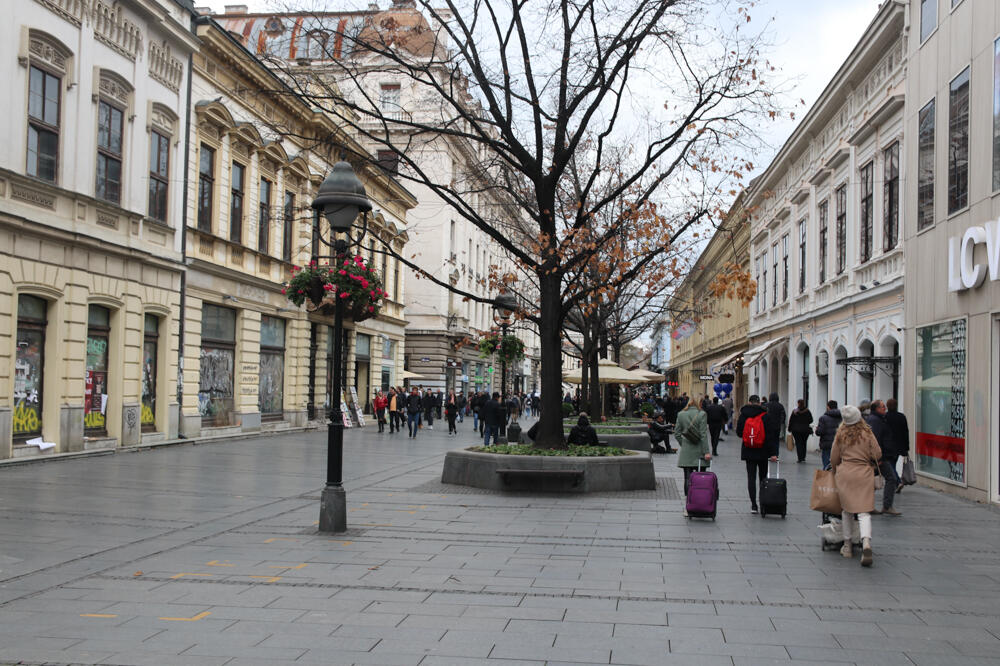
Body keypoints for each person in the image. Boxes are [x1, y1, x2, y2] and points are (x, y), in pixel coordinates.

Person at [830, 404, 881, 567]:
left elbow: (834, 457)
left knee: (847, 511)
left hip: (846, 474)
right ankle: (866, 542)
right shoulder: (867, 433)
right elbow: (878, 453)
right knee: (864, 512)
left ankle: (847, 546)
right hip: (864, 474)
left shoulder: (841, 434)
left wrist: (834, 470)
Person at [736, 394, 780, 514]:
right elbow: (770, 436)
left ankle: (753, 505)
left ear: (749, 402)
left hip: (748, 450)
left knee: (751, 478)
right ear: (759, 403)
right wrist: (773, 453)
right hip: (763, 451)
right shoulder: (765, 415)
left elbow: (739, 433)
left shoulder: (744, 415)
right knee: (763, 478)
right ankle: (763, 502)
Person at [674, 396, 712, 508]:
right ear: (699, 402)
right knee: (701, 478)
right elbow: (703, 435)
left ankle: (688, 503)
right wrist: (706, 452)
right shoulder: (702, 414)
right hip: (700, 451)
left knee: (687, 478)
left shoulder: (681, 414)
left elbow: (677, 433)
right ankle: (700, 502)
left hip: (687, 452)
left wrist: (684, 444)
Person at [865, 399, 899, 517]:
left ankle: (868, 505)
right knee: (891, 478)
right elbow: (875, 440)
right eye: (883, 407)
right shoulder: (876, 421)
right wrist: (877, 458)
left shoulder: (876, 419)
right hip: (879, 457)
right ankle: (887, 506)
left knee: (872, 481)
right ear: (877, 409)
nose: (885, 409)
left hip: (879, 456)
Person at [885, 398, 910, 494]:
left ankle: (898, 481)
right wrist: (906, 447)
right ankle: (896, 484)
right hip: (899, 445)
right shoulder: (901, 417)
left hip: (888, 446)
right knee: (893, 464)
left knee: (890, 465)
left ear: (887, 406)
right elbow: (905, 432)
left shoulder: (885, 417)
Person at [814, 400, 842, 469]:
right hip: (839, 444)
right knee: (838, 465)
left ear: (828, 407)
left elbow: (819, 432)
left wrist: (817, 430)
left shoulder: (823, 418)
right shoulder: (842, 417)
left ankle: (828, 475)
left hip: (827, 444)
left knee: (827, 465)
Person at [787, 399, 814, 463]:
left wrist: (789, 428)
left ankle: (800, 458)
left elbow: (791, 420)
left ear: (798, 403)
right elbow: (811, 420)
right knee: (804, 443)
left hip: (796, 430)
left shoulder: (795, 411)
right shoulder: (807, 411)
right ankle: (803, 457)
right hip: (805, 430)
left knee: (798, 443)